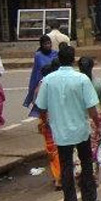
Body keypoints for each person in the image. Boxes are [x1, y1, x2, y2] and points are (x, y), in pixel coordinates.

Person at [35, 45, 101, 201]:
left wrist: (45, 120)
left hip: (60, 130)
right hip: (80, 129)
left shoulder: (48, 80)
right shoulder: (81, 79)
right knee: (86, 162)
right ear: (73, 60)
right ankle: (89, 196)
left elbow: (41, 106)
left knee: (66, 167)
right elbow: (92, 107)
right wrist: (97, 124)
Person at [78, 57, 101, 178]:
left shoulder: (75, 83)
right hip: (94, 119)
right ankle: (92, 176)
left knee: (80, 149)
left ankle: (82, 174)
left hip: (79, 118)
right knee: (94, 149)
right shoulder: (99, 83)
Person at [36, 60, 62, 190]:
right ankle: (60, 176)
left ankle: (58, 177)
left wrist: (43, 120)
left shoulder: (43, 84)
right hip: (59, 120)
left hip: (49, 121)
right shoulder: (58, 82)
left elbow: (39, 105)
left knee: (53, 150)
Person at [24, 35, 58, 117]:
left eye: (49, 43)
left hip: (54, 83)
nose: (48, 45)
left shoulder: (56, 54)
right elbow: (36, 72)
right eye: (45, 44)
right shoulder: (38, 56)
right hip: (42, 84)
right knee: (43, 110)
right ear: (41, 45)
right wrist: (33, 88)